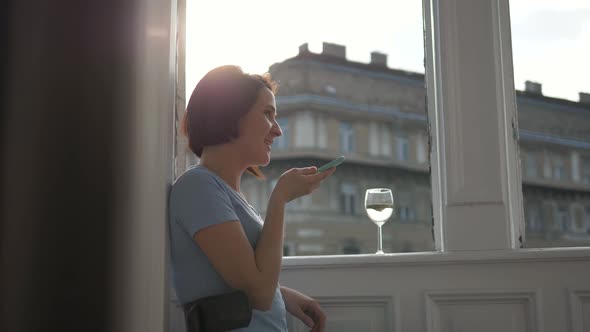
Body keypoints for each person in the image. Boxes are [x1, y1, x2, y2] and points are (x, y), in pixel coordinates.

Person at [168, 65, 335, 332]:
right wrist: (279, 198)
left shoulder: (225, 194)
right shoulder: (197, 186)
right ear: (229, 115)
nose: (278, 130)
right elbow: (259, 295)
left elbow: (236, 279)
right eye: (268, 114)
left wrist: (284, 296)